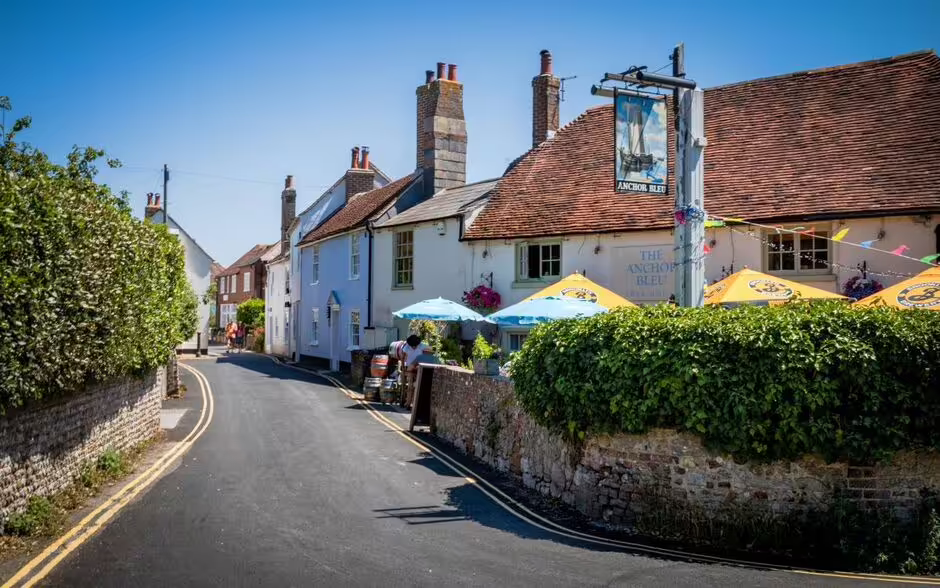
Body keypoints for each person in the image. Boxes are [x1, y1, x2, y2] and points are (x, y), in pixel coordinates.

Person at [398, 334, 429, 408]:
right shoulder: (407, 347)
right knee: (410, 386)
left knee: (418, 386)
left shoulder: (423, 346)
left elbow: (427, 356)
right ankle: (408, 403)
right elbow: (402, 357)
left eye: (415, 345)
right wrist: (403, 368)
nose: (413, 347)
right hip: (410, 368)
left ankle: (415, 403)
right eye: (412, 345)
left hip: (420, 368)